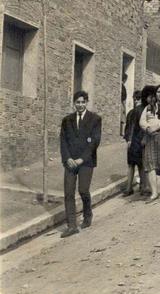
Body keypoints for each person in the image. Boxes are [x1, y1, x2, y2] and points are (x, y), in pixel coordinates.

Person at [59, 90, 102, 237]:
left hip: (86, 162)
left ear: (87, 102)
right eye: (77, 102)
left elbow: (94, 142)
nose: (80, 105)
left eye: (83, 102)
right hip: (70, 162)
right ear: (74, 103)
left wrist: (81, 159)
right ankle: (71, 225)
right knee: (68, 192)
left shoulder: (95, 119)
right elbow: (63, 141)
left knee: (83, 190)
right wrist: (67, 158)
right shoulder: (67, 120)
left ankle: (87, 215)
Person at [123, 89, 150, 197]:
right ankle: (143, 187)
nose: (136, 101)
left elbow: (128, 128)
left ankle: (129, 188)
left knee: (131, 165)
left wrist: (128, 140)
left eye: (137, 99)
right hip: (140, 141)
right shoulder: (144, 111)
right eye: (136, 99)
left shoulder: (131, 112)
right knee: (141, 165)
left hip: (132, 142)